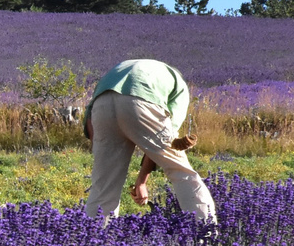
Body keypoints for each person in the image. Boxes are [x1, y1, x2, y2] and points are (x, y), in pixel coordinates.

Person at [84, 58, 217, 223]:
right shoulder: (179, 85)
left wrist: (103, 157)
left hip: (102, 104)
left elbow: (90, 120)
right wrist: (141, 181)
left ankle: (94, 241)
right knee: (181, 172)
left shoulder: (122, 69)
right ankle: (206, 233)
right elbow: (167, 143)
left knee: (103, 185)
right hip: (141, 99)